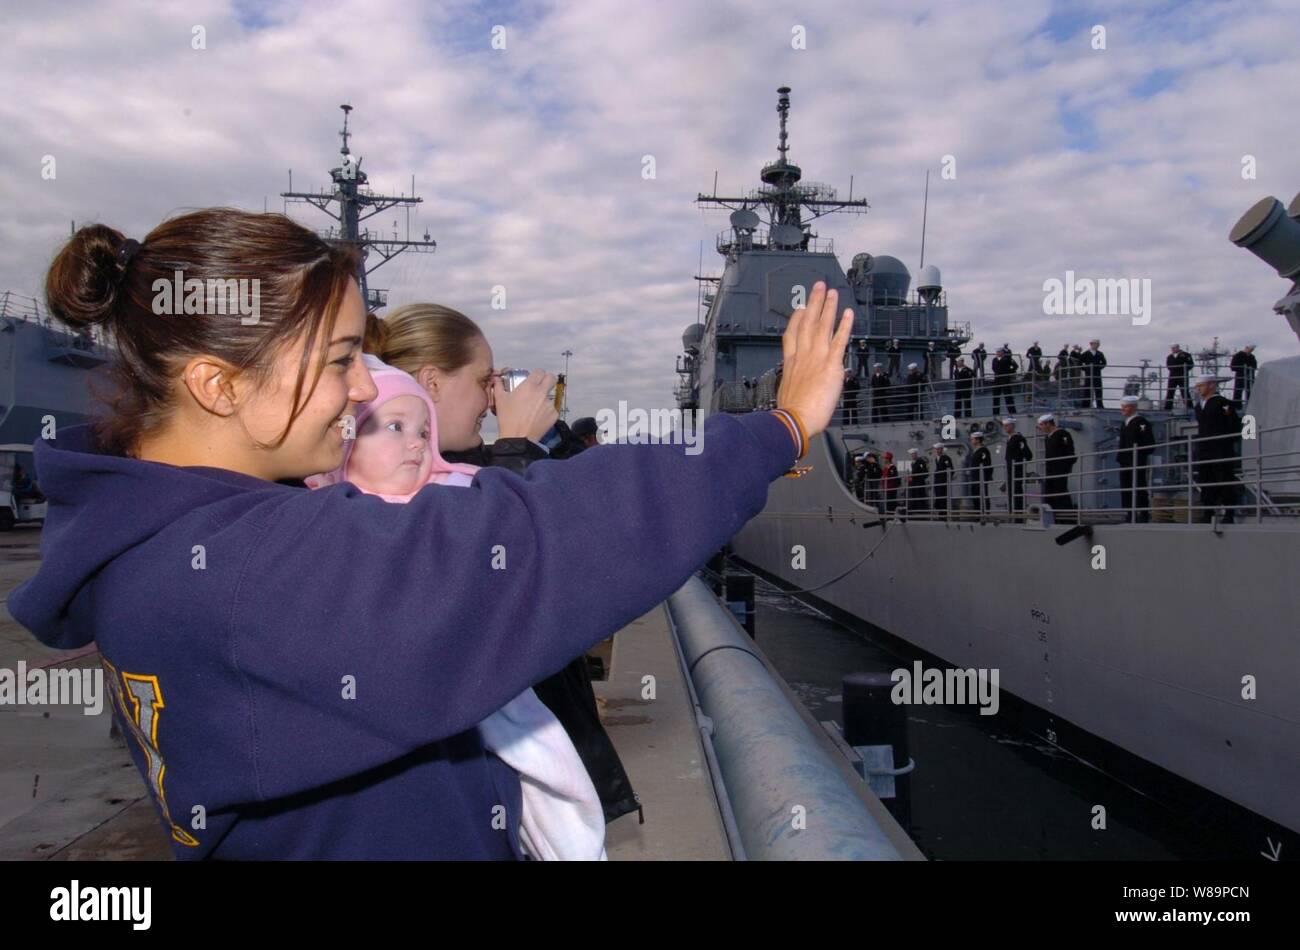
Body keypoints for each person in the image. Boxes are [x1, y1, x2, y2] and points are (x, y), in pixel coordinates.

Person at [8, 213, 853, 860]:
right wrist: (779, 428)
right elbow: (543, 536)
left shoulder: (152, 549)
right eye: (339, 359)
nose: (358, 392)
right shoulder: (243, 576)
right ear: (219, 385)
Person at [305, 355, 605, 860]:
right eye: (395, 426)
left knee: (551, 780)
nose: (418, 441)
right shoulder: (319, 527)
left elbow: (548, 516)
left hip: (488, 706)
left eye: (424, 428)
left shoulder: (455, 492)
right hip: (416, 735)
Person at [1192, 374, 1242, 523]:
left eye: (1201, 385)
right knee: (1207, 480)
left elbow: (1233, 425)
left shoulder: (1223, 403)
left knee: (1224, 479)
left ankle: (1229, 514)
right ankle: (1208, 512)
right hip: (1205, 449)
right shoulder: (1199, 406)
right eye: (1198, 386)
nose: (1198, 389)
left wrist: (1225, 442)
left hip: (1221, 449)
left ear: (1211, 385)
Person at [1116, 395, 1155, 523]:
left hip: (1136, 461)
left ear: (1133, 407)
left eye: (1125, 407)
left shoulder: (1141, 422)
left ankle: (1143, 513)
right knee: (1126, 487)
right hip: (1125, 461)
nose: (1122, 409)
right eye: (1122, 407)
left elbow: (1149, 443)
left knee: (1138, 486)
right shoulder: (1125, 423)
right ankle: (1129, 513)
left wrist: (1138, 453)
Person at [1038, 412, 1076, 516]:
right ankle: (1053, 515)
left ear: (1048, 424)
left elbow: (1070, 453)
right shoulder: (1048, 437)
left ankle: (1066, 516)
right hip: (1050, 470)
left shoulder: (1062, 434)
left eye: (1041, 425)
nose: (1040, 428)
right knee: (1050, 493)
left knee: (1060, 491)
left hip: (1060, 469)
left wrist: (1065, 467)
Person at [1002, 417, 1033, 515]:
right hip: (1011, 470)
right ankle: (1013, 512)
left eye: (1007, 425)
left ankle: (1017, 513)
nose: (1005, 428)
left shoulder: (1018, 438)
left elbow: (1028, 454)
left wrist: (1019, 463)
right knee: (1011, 491)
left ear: (1012, 426)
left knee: (1016, 491)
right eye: (1004, 426)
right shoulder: (1010, 439)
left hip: (1016, 470)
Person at [964, 432, 993, 515]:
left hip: (981, 478)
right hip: (975, 478)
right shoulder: (975, 451)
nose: (971, 441)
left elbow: (987, 464)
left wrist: (986, 477)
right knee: (976, 497)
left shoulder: (983, 451)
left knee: (982, 496)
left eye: (972, 439)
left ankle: (984, 514)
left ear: (978, 440)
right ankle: (978, 514)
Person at [1165, 343, 1194, 410]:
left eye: (1174, 348)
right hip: (1172, 376)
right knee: (1170, 392)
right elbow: (1168, 366)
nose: (1172, 349)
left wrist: (1183, 369)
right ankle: (1167, 408)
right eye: (1172, 348)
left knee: (1184, 392)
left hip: (1182, 376)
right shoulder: (1169, 357)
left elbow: (1191, 364)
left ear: (1178, 347)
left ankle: (1189, 407)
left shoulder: (1186, 355)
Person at [990, 347, 1018, 417]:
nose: (997, 353)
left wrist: (1009, 372)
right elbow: (993, 368)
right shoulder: (994, 360)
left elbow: (1015, 366)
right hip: (997, 380)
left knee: (1008, 397)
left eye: (999, 352)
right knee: (996, 397)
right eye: (997, 352)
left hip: (1005, 380)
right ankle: (995, 413)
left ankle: (1012, 412)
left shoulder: (1008, 359)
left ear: (1002, 352)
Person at [1080, 339, 1107, 409]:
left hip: (1097, 374)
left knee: (1098, 390)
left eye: (1098, 344)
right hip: (1088, 374)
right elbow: (1079, 362)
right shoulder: (1086, 353)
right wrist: (1086, 369)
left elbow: (1104, 363)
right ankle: (1085, 405)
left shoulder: (1100, 353)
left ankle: (1100, 405)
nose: (1097, 345)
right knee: (1087, 390)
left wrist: (1098, 367)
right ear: (1091, 344)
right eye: (1096, 344)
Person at [1230, 344, 1257, 409]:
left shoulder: (1252, 357)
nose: (1252, 350)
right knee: (1238, 392)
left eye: (1252, 349)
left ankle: (1250, 406)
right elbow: (1233, 366)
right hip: (1240, 376)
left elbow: (1254, 366)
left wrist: (1250, 368)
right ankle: (1237, 406)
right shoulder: (1238, 356)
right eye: (1251, 349)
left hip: (1250, 377)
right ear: (1247, 347)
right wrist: (1242, 368)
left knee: (1250, 392)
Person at [931, 443, 953, 515]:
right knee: (938, 496)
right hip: (938, 482)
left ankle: (944, 513)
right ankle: (940, 512)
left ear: (942, 449)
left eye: (938, 449)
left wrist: (946, 479)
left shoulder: (946, 458)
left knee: (943, 497)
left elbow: (950, 469)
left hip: (943, 481)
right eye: (936, 449)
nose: (937, 451)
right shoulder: (937, 459)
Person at [906, 447, 928, 515]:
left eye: (913, 454)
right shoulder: (913, 463)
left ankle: (921, 511)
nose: (912, 456)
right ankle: (915, 511)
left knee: (920, 497)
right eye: (911, 454)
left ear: (916, 454)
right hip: (914, 484)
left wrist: (915, 477)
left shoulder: (920, 462)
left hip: (919, 483)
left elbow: (925, 472)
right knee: (914, 496)